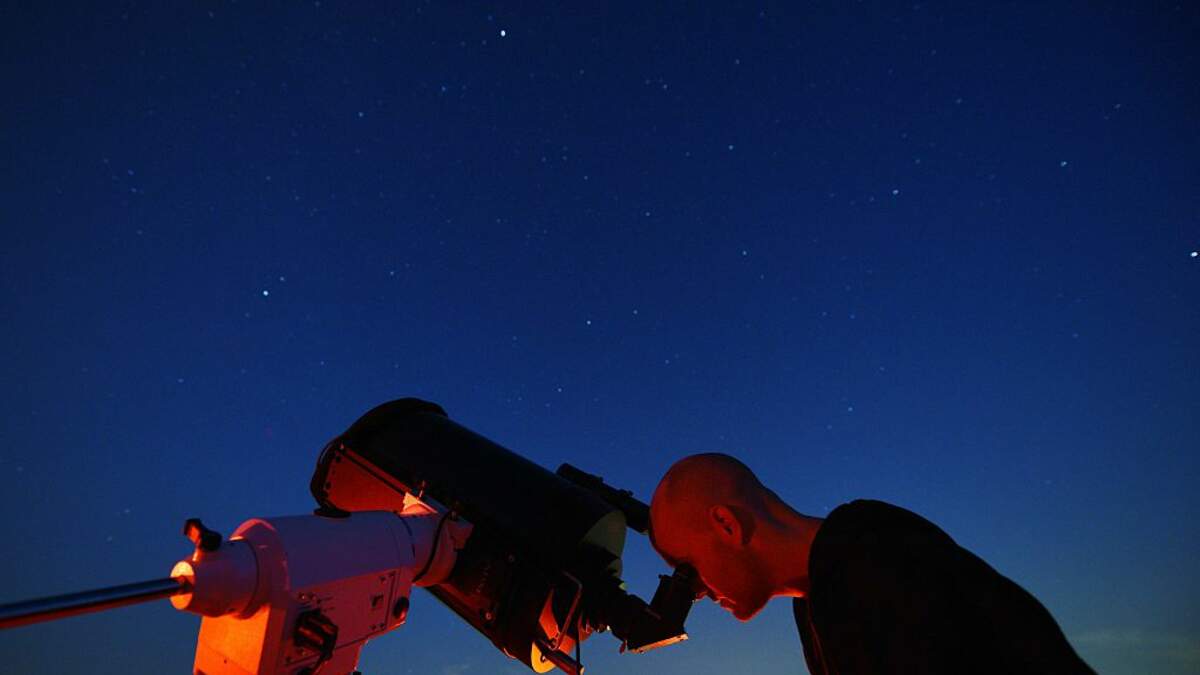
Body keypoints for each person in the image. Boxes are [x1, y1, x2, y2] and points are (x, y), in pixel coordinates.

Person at [648, 453, 1096, 674]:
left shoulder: (871, 554)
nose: (697, 592)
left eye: (688, 567)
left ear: (727, 524)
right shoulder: (820, 595)